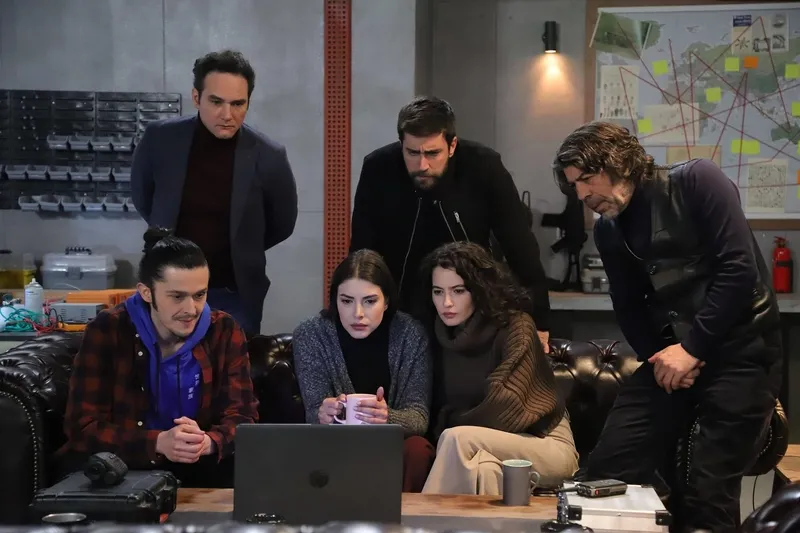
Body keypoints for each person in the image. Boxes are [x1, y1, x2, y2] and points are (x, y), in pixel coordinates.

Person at [553, 121, 782, 532]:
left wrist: (692, 350)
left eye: (587, 179)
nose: (582, 195)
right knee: (600, 476)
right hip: (671, 359)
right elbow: (628, 305)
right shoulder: (608, 229)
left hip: (743, 353)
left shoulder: (697, 181)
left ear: (619, 162)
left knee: (705, 494)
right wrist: (660, 357)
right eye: (574, 186)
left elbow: (738, 270)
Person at [57, 228, 259, 488]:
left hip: (202, 466)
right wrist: (158, 443)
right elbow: (82, 427)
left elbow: (243, 416)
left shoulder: (224, 329)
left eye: (200, 295)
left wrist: (208, 442)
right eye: (177, 297)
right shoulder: (109, 329)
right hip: (124, 469)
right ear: (146, 292)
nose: (191, 309)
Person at [349, 96, 552, 350]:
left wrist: (539, 322)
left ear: (452, 145)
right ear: (401, 144)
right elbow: (362, 252)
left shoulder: (484, 166)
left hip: (473, 308)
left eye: (433, 153)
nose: (422, 165)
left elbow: (520, 248)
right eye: (412, 153)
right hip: (400, 307)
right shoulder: (378, 168)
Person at [131, 49, 298, 336]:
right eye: (216, 102)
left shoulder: (269, 155)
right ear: (197, 98)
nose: (227, 115)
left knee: (231, 363)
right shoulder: (160, 138)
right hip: (168, 286)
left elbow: (282, 223)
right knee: (160, 361)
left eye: (238, 104)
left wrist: (243, 245)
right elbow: (143, 197)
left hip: (234, 291)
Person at [416, 242, 578, 495]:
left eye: (458, 291)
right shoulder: (435, 335)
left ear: (480, 289)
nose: (446, 302)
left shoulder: (516, 326)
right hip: (482, 449)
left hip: (545, 442)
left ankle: (420, 517)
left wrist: (451, 420)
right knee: (483, 471)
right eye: (438, 292)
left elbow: (506, 407)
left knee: (455, 438)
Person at [292, 249, 434, 492]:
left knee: (418, 449)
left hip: (392, 445)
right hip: (335, 444)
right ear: (335, 300)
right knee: (306, 448)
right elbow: (313, 411)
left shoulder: (411, 334)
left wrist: (386, 417)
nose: (357, 314)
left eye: (370, 301)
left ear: (386, 301)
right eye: (346, 301)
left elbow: (419, 418)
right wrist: (324, 414)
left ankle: (404, 516)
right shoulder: (311, 334)